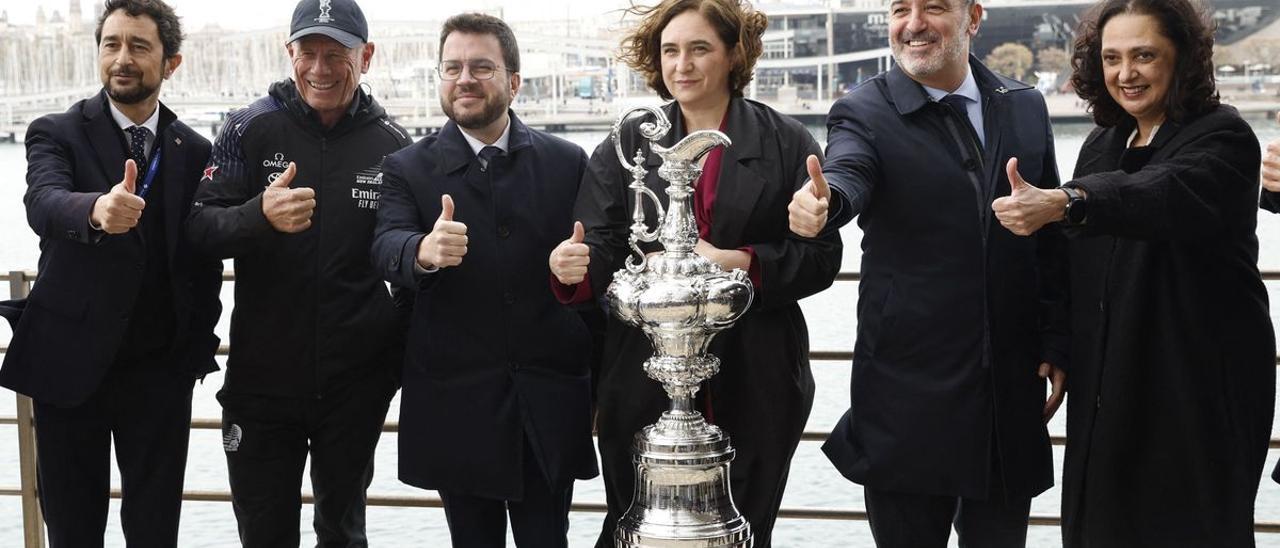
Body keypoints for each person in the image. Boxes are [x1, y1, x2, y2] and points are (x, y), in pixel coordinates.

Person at [548, 1, 842, 545]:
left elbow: (822, 258)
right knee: (635, 526)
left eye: (699, 48)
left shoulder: (786, 141)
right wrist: (569, 270)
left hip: (757, 377)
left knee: (745, 529)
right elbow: (601, 248)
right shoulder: (627, 143)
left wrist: (741, 264)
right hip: (640, 378)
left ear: (734, 54)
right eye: (670, 51)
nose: (681, 65)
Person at [786, 0, 1069, 546]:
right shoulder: (863, 111)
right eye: (899, 9)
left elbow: (1050, 238)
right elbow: (848, 171)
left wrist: (1058, 341)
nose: (913, 24)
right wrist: (827, 204)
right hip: (908, 397)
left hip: (1008, 394)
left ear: (973, 17)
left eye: (933, 7)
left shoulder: (1025, 105)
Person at [992, 0, 1275, 545]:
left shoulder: (1224, 138)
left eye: (1145, 55)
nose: (1126, 74)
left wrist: (1068, 201)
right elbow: (1075, 271)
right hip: (1107, 390)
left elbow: (1162, 194)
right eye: (1112, 57)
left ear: (1183, 59)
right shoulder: (1103, 144)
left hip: (1195, 396)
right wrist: (1057, 344)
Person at [185, 0, 411, 545]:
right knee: (264, 534)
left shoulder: (395, 146)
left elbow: (410, 261)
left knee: (343, 530)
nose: (320, 69)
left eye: (337, 54)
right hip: (261, 384)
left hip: (355, 386)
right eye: (307, 52)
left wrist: (393, 359)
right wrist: (256, 216)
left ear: (368, 56)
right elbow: (197, 229)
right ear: (289, 53)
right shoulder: (248, 128)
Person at [371, 13, 598, 548]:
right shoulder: (407, 167)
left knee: (549, 539)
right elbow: (384, 244)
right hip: (456, 402)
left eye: (481, 67)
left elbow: (601, 259)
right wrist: (422, 251)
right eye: (452, 67)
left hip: (549, 397)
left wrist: (581, 264)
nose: (464, 79)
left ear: (513, 81)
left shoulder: (567, 162)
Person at [0, 0, 221, 545]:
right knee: (73, 530)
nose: (122, 58)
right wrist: (96, 210)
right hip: (67, 370)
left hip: (159, 379)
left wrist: (193, 353)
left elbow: (203, 258)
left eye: (139, 46)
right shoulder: (55, 131)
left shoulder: (193, 150)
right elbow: (43, 200)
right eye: (111, 44)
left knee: (154, 530)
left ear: (171, 63)